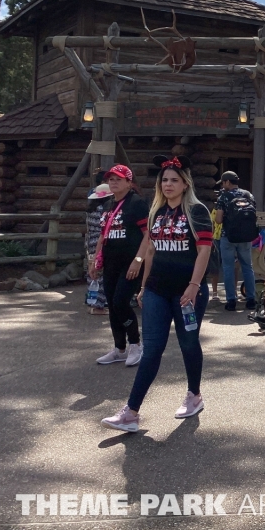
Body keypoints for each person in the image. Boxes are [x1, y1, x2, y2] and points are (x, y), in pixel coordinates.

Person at [102, 156, 213, 433]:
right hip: (156, 291)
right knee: (152, 349)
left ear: (185, 183)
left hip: (187, 293)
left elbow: (204, 250)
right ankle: (131, 412)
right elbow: (150, 250)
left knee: (189, 343)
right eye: (164, 180)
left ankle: (194, 394)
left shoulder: (197, 212)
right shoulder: (156, 212)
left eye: (174, 180)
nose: (168, 185)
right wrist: (143, 286)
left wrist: (194, 285)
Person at [92, 165, 150, 368]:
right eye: (110, 179)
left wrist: (139, 260)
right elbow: (103, 234)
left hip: (130, 263)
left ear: (129, 182)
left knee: (120, 303)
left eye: (118, 179)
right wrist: (95, 259)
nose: (113, 182)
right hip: (110, 263)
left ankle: (135, 344)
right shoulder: (109, 204)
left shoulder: (137, 204)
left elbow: (148, 235)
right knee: (111, 305)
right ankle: (119, 349)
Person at [214, 171, 257, 311]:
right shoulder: (248, 195)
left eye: (223, 182)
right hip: (246, 236)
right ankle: (251, 299)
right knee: (247, 267)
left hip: (229, 236)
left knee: (227, 268)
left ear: (227, 182)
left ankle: (231, 300)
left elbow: (218, 219)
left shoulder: (224, 197)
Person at [85, 182, 111, 315]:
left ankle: (91, 302)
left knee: (92, 273)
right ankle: (98, 306)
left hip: (90, 243)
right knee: (99, 274)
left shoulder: (91, 210)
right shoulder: (104, 211)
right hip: (100, 243)